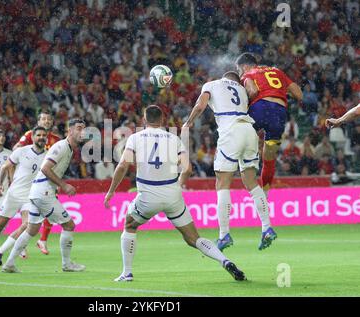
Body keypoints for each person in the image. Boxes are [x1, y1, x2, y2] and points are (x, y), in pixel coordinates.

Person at [105, 105, 246, 282]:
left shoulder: (135, 138)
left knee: (130, 226)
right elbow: (188, 168)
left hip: (148, 195)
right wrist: (179, 184)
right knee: (193, 238)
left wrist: (111, 191)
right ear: (163, 120)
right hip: (172, 195)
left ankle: (127, 273)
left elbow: (123, 166)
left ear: (144, 119)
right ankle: (224, 260)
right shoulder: (174, 139)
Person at [183, 72, 276, 251]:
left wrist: (189, 122)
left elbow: (200, 104)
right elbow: (254, 93)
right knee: (251, 183)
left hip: (230, 130)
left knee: (222, 183)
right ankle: (267, 227)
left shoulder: (211, 84)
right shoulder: (241, 89)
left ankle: (224, 234)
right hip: (249, 130)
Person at [2, 119, 87, 273]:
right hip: (43, 191)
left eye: (84, 129)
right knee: (69, 225)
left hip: (38, 191)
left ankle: (9, 263)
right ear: (70, 130)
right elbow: (45, 168)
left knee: (32, 229)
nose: (83, 132)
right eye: (79, 128)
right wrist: (63, 185)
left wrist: (57, 185)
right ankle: (66, 264)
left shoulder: (69, 149)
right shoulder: (61, 146)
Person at [0, 126, 47, 265]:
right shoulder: (21, 151)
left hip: (30, 197)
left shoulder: (48, 155)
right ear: (33, 137)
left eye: (44, 135)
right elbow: (5, 167)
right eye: (38, 135)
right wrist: (0, 185)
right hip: (14, 194)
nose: (41, 137)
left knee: (27, 225)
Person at [235, 53, 303, 193]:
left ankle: (247, 182)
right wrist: (280, 92)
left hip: (259, 109)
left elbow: (253, 92)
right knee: (269, 157)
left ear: (244, 66)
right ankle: (265, 193)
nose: (239, 73)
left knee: (238, 139)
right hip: (279, 113)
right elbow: (299, 95)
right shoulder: (277, 71)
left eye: (239, 69)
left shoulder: (248, 74)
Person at [14, 110, 60, 255]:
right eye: (43, 119)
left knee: (52, 210)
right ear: (38, 122)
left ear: (52, 122)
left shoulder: (56, 140)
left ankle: (43, 240)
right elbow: (16, 149)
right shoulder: (30, 135)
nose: (46, 121)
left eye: (49, 119)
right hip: (29, 181)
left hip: (47, 180)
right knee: (27, 217)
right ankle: (21, 244)